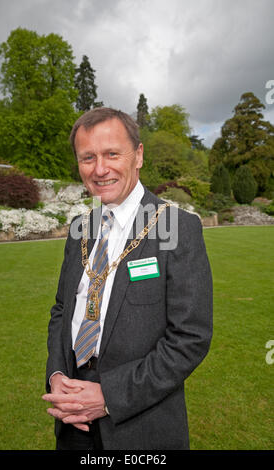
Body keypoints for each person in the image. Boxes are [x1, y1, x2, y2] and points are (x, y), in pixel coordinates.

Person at [42, 107, 213, 450]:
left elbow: (190, 337)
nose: (100, 169)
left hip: (141, 422)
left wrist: (109, 396)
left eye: (111, 154)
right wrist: (57, 375)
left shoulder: (178, 228)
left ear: (138, 156)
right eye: (87, 157)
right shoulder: (80, 230)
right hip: (73, 419)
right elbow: (63, 310)